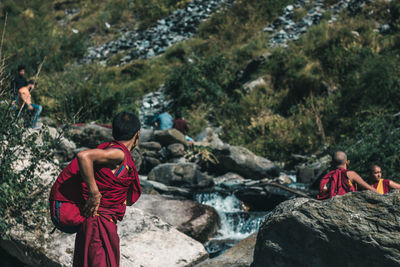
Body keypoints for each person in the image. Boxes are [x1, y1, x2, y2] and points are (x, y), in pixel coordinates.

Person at [71, 111, 141, 267]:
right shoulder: (118, 153)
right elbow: (84, 156)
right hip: (98, 222)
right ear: (137, 134)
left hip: (98, 221)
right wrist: (94, 192)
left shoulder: (113, 150)